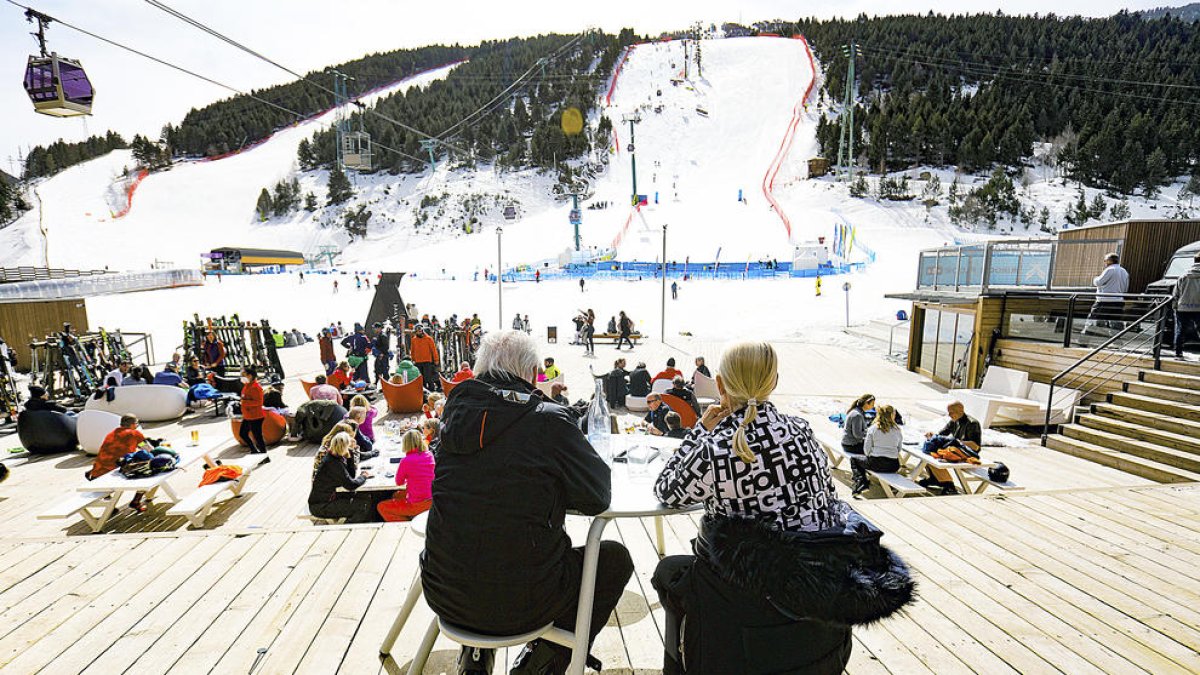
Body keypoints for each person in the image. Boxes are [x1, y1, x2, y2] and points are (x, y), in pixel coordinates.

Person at [651, 342, 912, 673]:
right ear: (773, 382)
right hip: (819, 586)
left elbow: (668, 490)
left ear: (720, 385)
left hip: (749, 599)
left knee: (668, 572)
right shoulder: (802, 430)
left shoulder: (716, 447)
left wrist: (699, 431)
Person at [421, 330, 632, 674]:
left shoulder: (453, 412)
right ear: (533, 374)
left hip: (443, 591)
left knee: (477, 530)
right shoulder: (547, 419)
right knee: (613, 559)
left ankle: (474, 656)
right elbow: (597, 496)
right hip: (523, 603)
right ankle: (542, 664)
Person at [308, 432, 376, 523]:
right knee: (363, 506)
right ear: (344, 447)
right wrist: (363, 476)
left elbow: (351, 476)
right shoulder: (332, 463)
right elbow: (351, 484)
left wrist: (350, 454)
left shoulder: (334, 456)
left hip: (331, 498)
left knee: (367, 497)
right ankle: (349, 525)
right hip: (322, 505)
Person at [89, 414, 151, 512]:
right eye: (136, 423)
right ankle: (136, 502)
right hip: (115, 474)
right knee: (148, 472)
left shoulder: (111, 433)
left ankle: (110, 506)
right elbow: (147, 449)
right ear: (132, 425)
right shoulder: (134, 433)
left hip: (97, 473)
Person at [918, 401, 982, 495]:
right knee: (928, 452)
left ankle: (948, 484)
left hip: (967, 455)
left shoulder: (972, 423)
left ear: (960, 411)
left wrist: (957, 442)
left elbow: (976, 446)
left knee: (934, 458)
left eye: (951, 412)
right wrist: (932, 436)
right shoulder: (953, 421)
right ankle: (935, 479)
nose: (949, 415)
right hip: (954, 451)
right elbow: (941, 434)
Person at [378, 429, 436, 522]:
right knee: (396, 495)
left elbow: (399, 482)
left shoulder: (406, 460)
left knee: (382, 506)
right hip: (433, 498)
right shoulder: (429, 455)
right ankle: (411, 517)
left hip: (418, 503)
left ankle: (406, 524)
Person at [851, 404, 903, 496]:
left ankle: (861, 481)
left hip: (876, 463)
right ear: (892, 415)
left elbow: (866, 450)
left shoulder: (873, 429)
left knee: (854, 459)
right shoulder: (897, 430)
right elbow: (898, 449)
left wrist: (873, 453)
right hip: (893, 465)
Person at [1086, 252, 1130, 332]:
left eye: (1105, 260)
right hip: (1118, 301)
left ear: (1110, 261)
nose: (1104, 262)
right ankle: (1117, 342)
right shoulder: (1124, 271)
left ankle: (1083, 341)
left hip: (1104, 301)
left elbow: (1098, 282)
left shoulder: (1110, 270)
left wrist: (1095, 278)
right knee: (1115, 324)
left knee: (1093, 320)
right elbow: (1125, 289)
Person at [842, 394, 875, 491]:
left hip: (850, 443)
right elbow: (857, 435)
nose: (873, 406)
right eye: (872, 404)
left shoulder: (857, 412)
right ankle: (861, 479)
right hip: (851, 445)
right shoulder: (857, 415)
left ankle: (862, 477)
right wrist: (869, 436)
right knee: (871, 451)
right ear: (866, 403)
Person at [1172, 251, 1200, 358]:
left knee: (1180, 330)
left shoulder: (1183, 275)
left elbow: (1176, 293)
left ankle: (1178, 353)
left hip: (1183, 307)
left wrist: (1175, 307)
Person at [238, 366, 268, 454]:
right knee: (243, 434)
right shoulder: (247, 385)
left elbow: (259, 402)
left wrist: (244, 402)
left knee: (258, 436)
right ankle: (254, 450)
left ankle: (264, 454)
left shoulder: (256, 387)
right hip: (248, 415)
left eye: (244, 375)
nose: (242, 377)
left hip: (255, 416)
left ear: (250, 376)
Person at [410, 325, 441, 392]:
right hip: (418, 361)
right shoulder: (414, 340)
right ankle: (423, 390)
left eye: (420, 331)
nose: (419, 332)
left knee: (428, 377)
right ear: (416, 332)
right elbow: (412, 350)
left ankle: (432, 389)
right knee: (421, 378)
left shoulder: (428, 339)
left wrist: (436, 359)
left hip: (427, 360)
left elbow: (433, 350)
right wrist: (413, 359)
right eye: (418, 331)